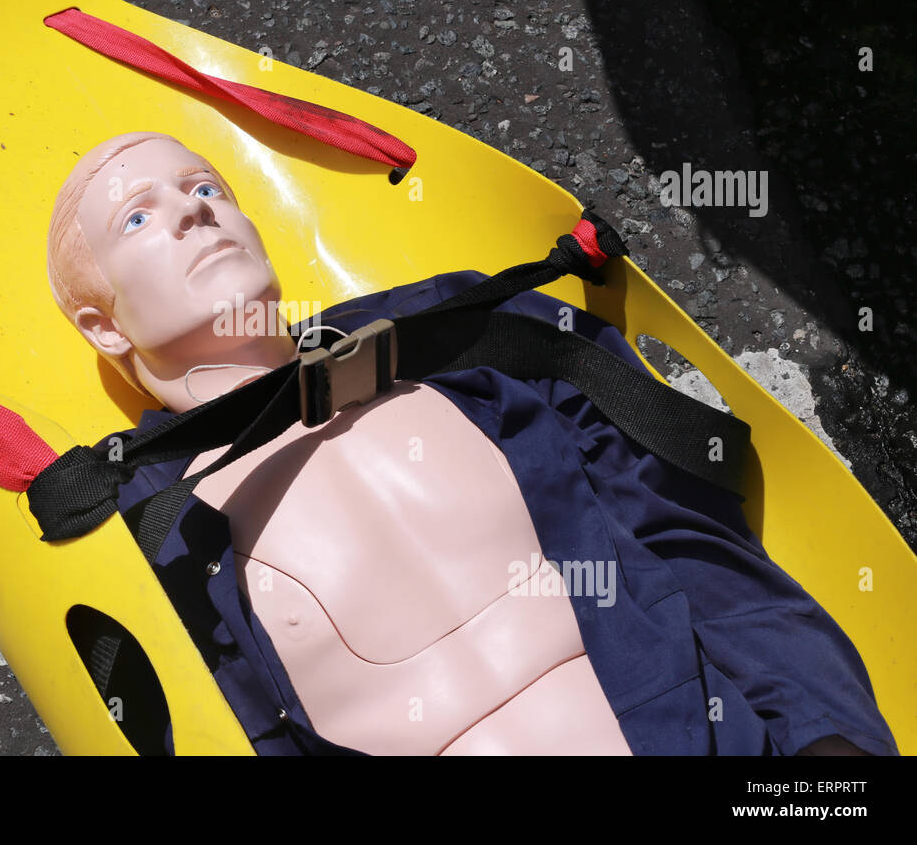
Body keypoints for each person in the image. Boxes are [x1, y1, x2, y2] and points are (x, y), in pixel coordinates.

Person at [46, 130, 897, 756]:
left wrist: (829, 755)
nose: (195, 210)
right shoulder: (140, 529)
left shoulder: (466, 344)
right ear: (102, 326)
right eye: (138, 219)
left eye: (208, 187)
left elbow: (699, 550)